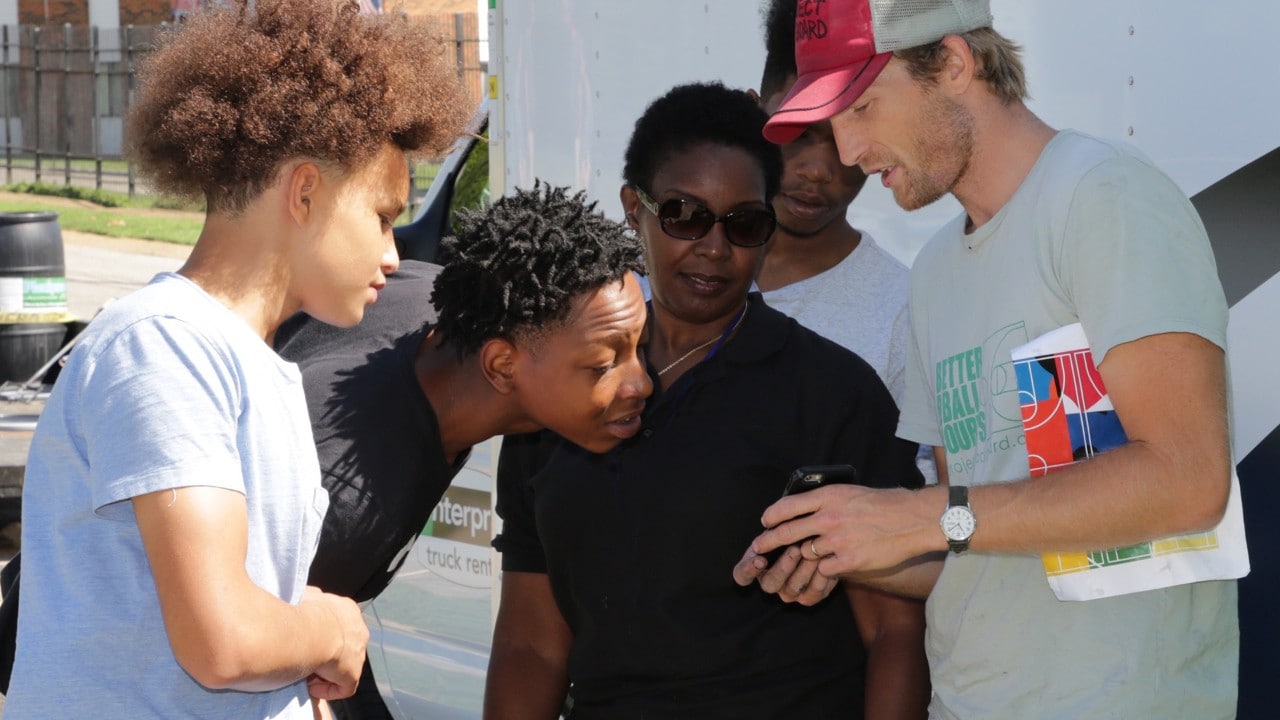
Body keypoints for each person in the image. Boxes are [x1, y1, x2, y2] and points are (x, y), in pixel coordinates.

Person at [737, 0, 1237, 717]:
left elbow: (1187, 481)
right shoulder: (936, 269)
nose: (847, 151)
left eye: (863, 107)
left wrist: (926, 517)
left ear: (953, 62)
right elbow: (974, 540)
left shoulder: (1104, 196)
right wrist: (847, 545)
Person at [3, 0, 467, 717]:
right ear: (305, 190)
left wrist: (296, 635)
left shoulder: (257, 366)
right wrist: (330, 627)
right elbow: (223, 640)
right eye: (381, 215)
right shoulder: (165, 348)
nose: (391, 255)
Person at [486, 82, 928, 720]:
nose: (715, 248)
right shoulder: (555, 395)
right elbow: (531, 642)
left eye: (744, 223)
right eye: (685, 215)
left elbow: (894, 633)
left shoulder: (836, 395)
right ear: (634, 209)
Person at [273, 182, 650, 604]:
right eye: (603, 366)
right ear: (502, 367)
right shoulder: (349, 507)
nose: (642, 384)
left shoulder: (442, 302)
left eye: (638, 347)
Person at [754, 0, 911, 406]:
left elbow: (927, 468)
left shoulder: (904, 309)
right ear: (754, 112)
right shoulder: (679, 274)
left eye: (847, 131)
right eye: (799, 131)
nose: (818, 170)